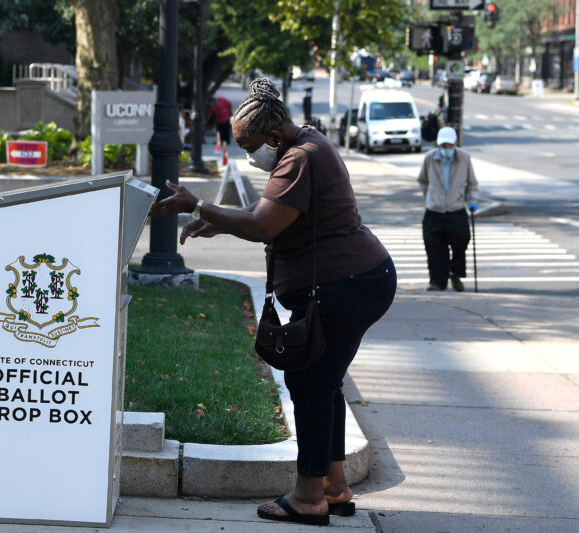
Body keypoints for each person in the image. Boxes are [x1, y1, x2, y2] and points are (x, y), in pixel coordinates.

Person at [149, 78, 396, 527]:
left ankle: (308, 497)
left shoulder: (298, 158)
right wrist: (222, 223)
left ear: (275, 136)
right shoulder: (306, 144)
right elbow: (277, 220)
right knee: (322, 383)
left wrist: (198, 206)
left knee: (312, 384)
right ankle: (333, 487)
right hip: (359, 279)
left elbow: (264, 225)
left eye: (251, 146)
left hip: (349, 283)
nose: (251, 157)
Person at [417, 126, 480, 292]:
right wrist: (431, 197)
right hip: (434, 210)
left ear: (455, 144)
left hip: (456, 208)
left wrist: (472, 200)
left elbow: (472, 183)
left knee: (462, 239)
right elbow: (422, 180)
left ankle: (455, 272)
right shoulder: (430, 158)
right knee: (434, 245)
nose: (446, 149)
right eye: (443, 146)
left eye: (449, 146)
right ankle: (437, 281)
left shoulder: (464, 158)